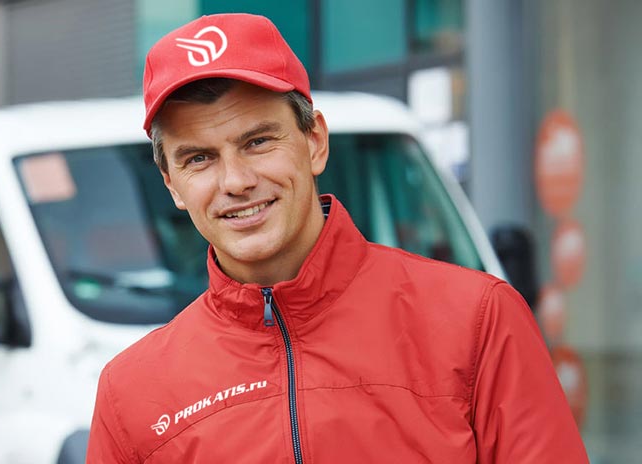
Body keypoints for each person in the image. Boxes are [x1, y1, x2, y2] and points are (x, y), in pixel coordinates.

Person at [86, 13, 588, 463]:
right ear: (172, 184)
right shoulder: (132, 391)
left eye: (257, 142)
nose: (235, 181)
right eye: (199, 158)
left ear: (315, 142)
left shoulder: (477, 320)